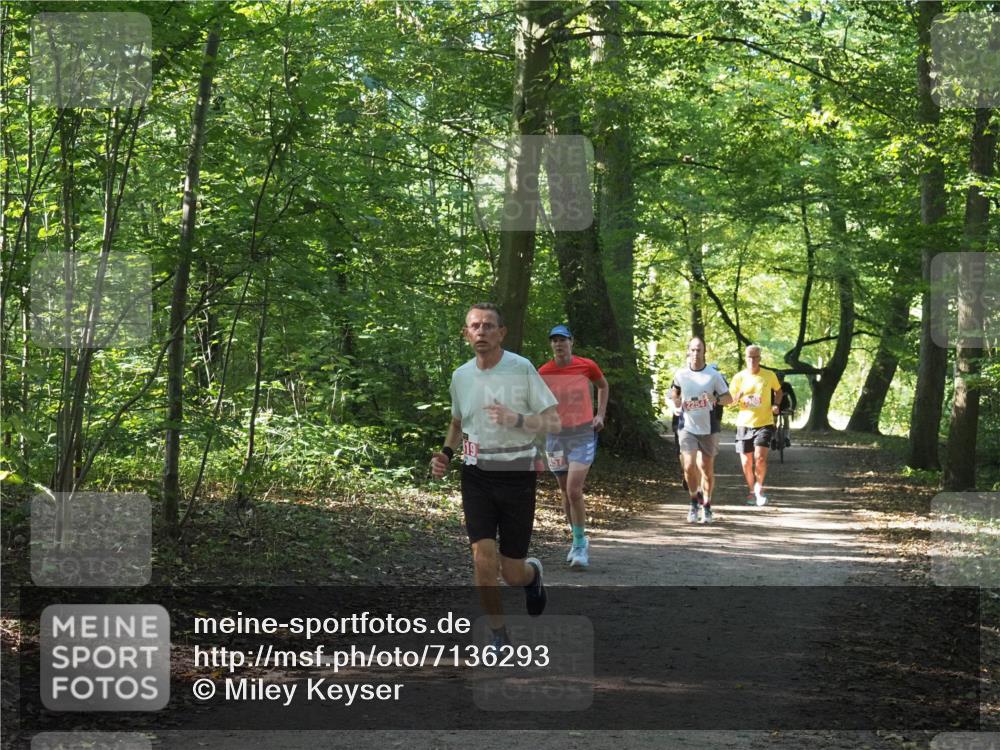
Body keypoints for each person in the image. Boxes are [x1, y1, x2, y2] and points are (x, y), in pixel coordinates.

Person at [430, 303, 561, 649]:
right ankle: (498, 634)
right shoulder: (461, 376)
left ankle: (532, 577)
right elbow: (458, 423)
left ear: (501, 333)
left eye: (489, 326)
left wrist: (516, 419)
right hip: (476, 475)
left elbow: (553, 421)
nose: (481, 332)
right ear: (465, 334)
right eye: (475, 326)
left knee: (512, 572)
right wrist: (445, 453)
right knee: (482, 557)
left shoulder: (521, 369)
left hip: (517, 475)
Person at [538, 324, 609, 568]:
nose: (558, 344)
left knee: (574, 490)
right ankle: (578, 538)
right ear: (551, 345)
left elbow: (603, 385)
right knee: (565, 493)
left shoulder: (586, 365)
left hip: (582, 434)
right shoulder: (543, 371)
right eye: (554, 340)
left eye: (563, 339)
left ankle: (580, 546)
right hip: (556, 437)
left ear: (571, 342)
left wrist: (600, 414)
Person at [669, 337, 733, 523]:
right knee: (689, 466)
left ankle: (707, 505)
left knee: (706, 469)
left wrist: (716, 400)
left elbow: (729, 398)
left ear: (704, 352)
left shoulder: (713, 375)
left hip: (709, 427)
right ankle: (693, 503)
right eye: (693, 350)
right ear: (688, 351)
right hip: (687, 426)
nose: (696, 353)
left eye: (699, 350)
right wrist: (675, 401)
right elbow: (674, 392)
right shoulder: (681, 374)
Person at [729, 345, 782, 506]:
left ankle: (759, 487)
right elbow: (730, 402)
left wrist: (776, 404)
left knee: (759, 458)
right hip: (744, 424)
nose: (752, 360)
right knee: (746, 462)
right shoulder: (739, 377)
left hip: (764, 423)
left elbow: (778, 391)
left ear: (760, 358)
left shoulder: (768, 375)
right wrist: (737, 396)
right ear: (745, 358)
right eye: (749, 357)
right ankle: (751, 491)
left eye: (755, 357)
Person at [775, 374, 797, 448]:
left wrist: (792, 408)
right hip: (774, 405)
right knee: (773, 420)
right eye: (778, 380)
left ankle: (787, 437)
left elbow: (793, 398)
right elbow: (768, 398)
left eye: (781, 380)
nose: (780, 382)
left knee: (786, 418)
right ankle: (773, 438)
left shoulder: (787, 386)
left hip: (785, 406)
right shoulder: (771, 385)